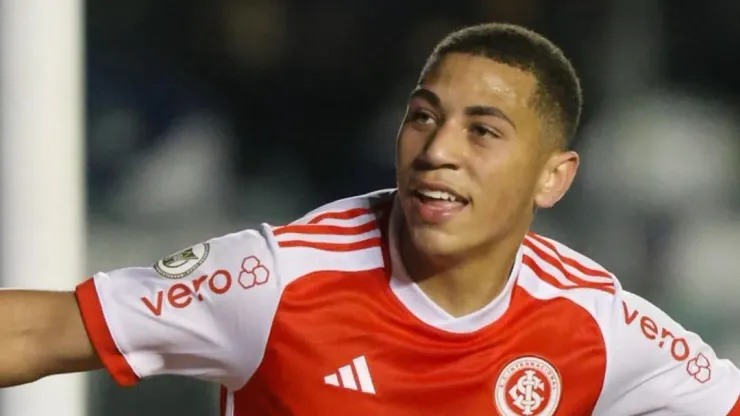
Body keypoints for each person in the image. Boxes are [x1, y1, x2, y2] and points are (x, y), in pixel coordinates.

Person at [1, 23, 738, 416]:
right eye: (423, 117)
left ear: (554, 177)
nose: (438, 150)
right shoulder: (278, 281)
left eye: (482, 131)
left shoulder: (596, 324)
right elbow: (34, 332)